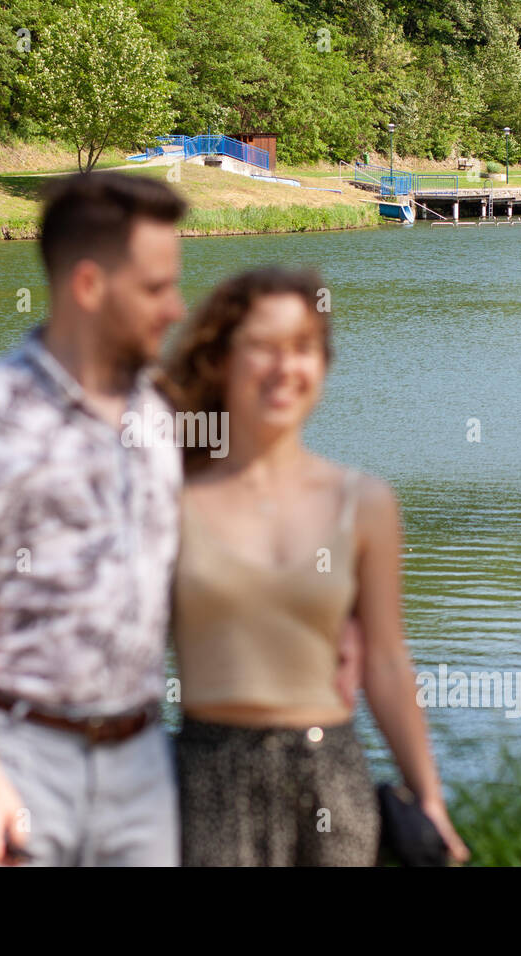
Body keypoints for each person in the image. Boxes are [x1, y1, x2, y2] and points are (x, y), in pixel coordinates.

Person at [0, 172, 188, 866]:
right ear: (91, 286)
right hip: (18, 756)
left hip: (142, 767)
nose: (177, 309)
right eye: (157, 289)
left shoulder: (160, 415)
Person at [160, 266, 470, 867]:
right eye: (263, 347)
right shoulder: (169, 499)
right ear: (222, 360)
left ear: (323, 366)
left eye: (302, 348)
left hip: (334, 781)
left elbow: (384, 659)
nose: (285, 368)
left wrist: (430, 797)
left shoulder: (364, 501)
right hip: (207, 782)